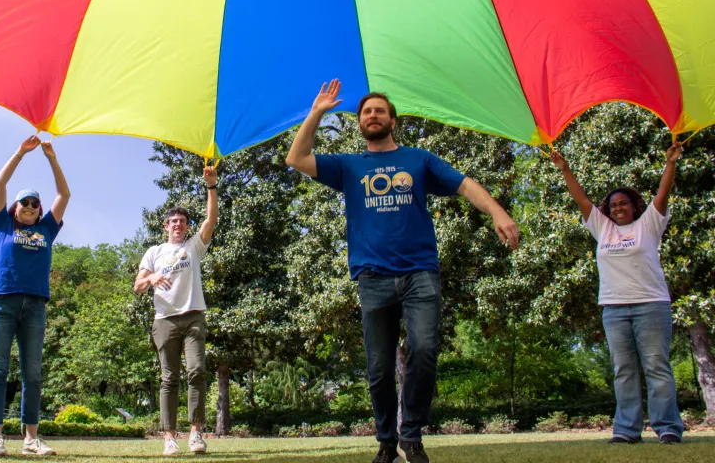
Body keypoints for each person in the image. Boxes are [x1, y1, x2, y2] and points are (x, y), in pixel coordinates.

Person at [286, 80, 520, 463]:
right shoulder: (348, 165)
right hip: (373, 277)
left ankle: (411, 435)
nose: (372, 115)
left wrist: (497, 211)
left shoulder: (418, 160)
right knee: (378, 369)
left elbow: (464, 185)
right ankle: (386, 441)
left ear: (392, 120)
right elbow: (296, 158)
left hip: (420, 272)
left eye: (379, 110)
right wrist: (316, 114)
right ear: (359, 124)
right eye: (366, 112)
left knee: (425, 350)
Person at [551, 144, 685, 445]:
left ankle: (668, 428)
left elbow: (662, 196)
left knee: (656, 368)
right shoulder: (603, 229)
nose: (617, 208)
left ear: (634, 206)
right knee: (623, 370)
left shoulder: (648, 225)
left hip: (651, 305)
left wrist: (670, 164)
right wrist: (564, 168)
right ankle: (626, 430)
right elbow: (581, 199)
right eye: (613, 205)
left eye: (623, 204)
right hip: (613, 309)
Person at [0, 136, 71, 457]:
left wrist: (51, 158)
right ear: (16, 208)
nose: (32, 207)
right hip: (0, 303)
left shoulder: (47, 229)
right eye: (26, 203)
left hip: (35, 306)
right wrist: (21, 153)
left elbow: (64, 194)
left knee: (32, 372)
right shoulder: (1, 225)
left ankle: (31, 438)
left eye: (35, 203)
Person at [134, 166, 219, 457]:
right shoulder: (154, 252)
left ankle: (196, 433)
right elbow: (137, 287)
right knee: (169, 379)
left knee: (196, 371)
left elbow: (211, 219)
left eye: (182, 221)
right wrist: (151, 278)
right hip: (165, 320)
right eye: (173, 221)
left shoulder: (194, 247)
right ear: (165, 226)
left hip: (194, 316)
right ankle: (169, 437)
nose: (178, 225)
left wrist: (211, 186)